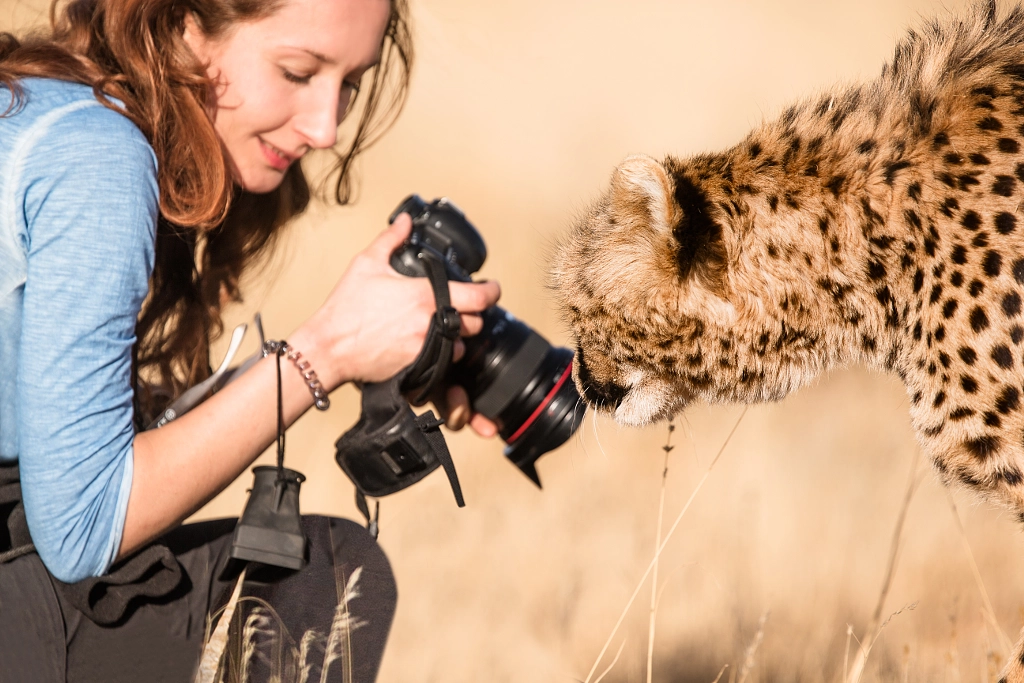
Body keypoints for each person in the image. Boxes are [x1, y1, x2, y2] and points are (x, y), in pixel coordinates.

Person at [0, 0, 501, 681]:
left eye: (350, 82)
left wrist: (375, 353)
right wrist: (323, 353)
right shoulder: (100, 156)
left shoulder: (36, 109)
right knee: (323, 574)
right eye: (298, 71)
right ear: (183, 28)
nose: (326, 127)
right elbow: (82, 525)